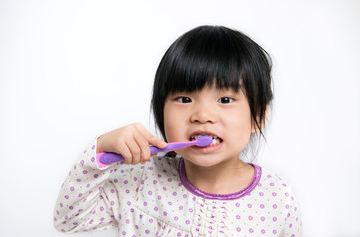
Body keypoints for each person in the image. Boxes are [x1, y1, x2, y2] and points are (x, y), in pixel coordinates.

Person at [53, 25, 302, 236]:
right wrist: (102, 147)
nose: (202, 115)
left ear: (258, 116)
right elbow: (68, 220)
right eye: (184, 99)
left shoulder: (277, 199)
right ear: (161, 111)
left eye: (225, 100)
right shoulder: (141, 180)